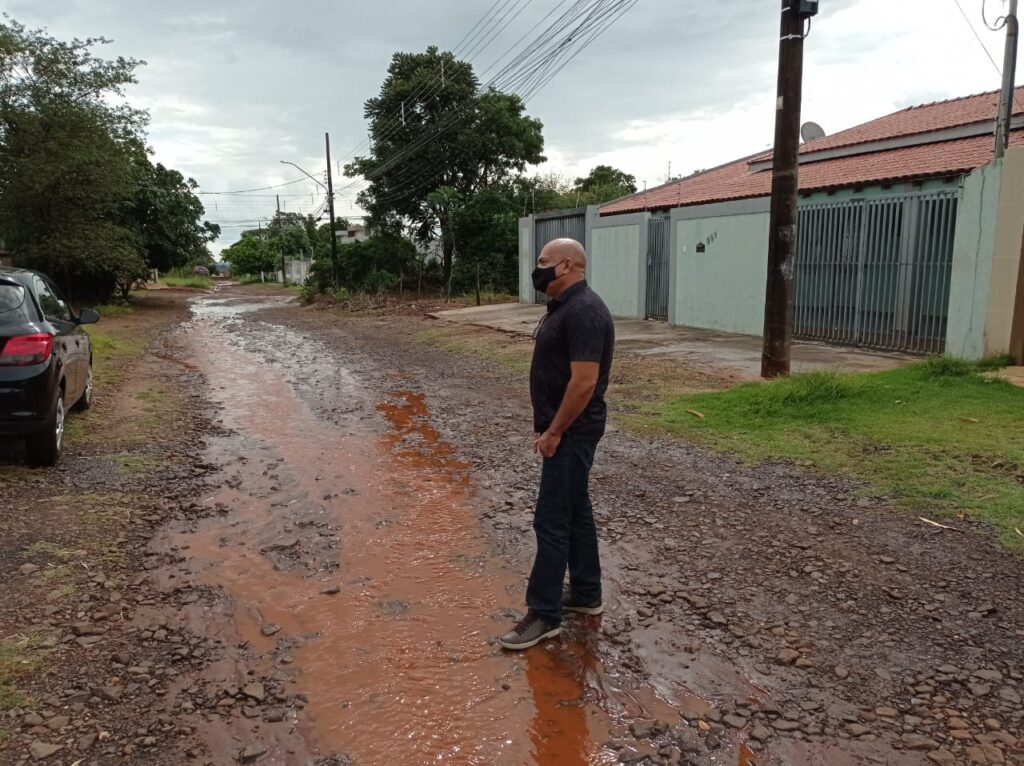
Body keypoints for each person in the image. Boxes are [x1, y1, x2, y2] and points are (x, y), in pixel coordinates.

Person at [499, 238, 615, 651]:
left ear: (566, 265)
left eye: (544, 262)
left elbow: (583, 382)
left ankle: (544, 614)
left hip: (574, 432)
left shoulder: (584, 311)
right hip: (566, 429)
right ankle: (586, 594)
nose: (538, 268)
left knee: (551, 521)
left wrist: (554, 432)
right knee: (576, 510)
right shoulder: (564, 308)